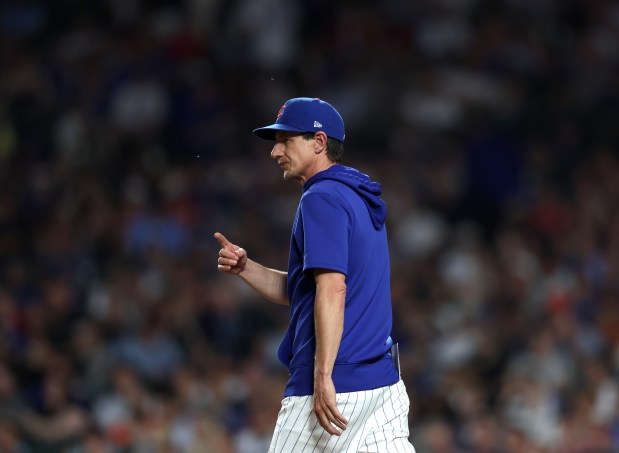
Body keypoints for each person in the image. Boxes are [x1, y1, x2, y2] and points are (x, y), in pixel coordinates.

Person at [215, 97, 416, 452]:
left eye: (286, 140)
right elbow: (307, 290)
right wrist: (247, 269)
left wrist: (322, 376)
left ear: (319, 143)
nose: (275, 152)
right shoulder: (358, 196)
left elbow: (333, 289)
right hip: (382, 385)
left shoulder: (320, 197)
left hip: (334, 385)